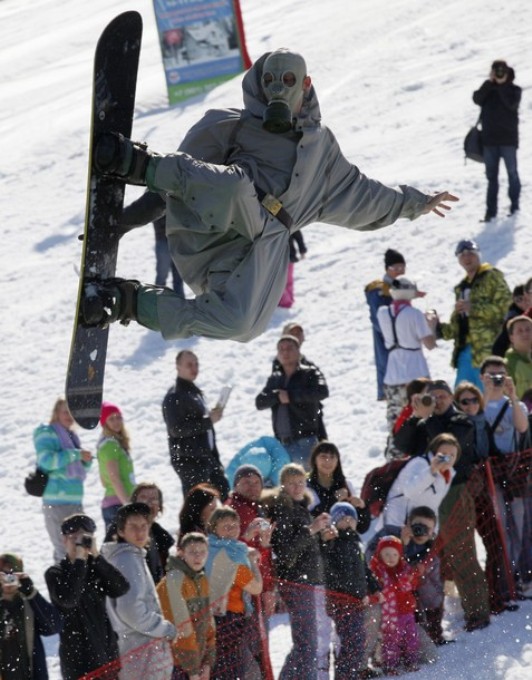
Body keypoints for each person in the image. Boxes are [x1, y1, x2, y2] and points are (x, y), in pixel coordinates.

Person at [82, 48, 458, 341]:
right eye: (271, 79)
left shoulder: (322, 155)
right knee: (236, 186)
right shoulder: (228, 126)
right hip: (206, 233)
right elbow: (180, 185)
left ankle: (128, 302)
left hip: (257, 249)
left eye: (288, 79)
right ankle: (132, 161)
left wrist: (417, 203)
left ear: (305, 85)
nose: (278, 87)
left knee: (244, 324)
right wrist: (122, 222)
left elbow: (369, 197)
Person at [393, 379, 492, 631]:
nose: (437, 400)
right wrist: (416, 417)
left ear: (451, 398)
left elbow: (445, 446)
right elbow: (401, 444)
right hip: (425, 495)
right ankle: (428, 618)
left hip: (454, 494)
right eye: (432, 396)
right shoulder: (424, 420)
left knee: (462, 552)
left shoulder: (461, 421)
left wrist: (427, 418)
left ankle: (478, 612)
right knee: (424, 555)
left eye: (442, 396)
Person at [454, 380, 517, 613]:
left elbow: (491, 450)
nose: (470, 405)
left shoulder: (483, 424)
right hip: (461, 496)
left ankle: (495, 594)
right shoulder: (456, 427)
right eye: (464, 401)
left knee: (495, 544)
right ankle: (475, 602)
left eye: (473, 400)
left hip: (482, 493)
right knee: (465, 550)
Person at [45, 513, 130, 680]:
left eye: (83, 538)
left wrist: (97, 556)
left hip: (106, 653)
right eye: (73, 538)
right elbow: (69, 599)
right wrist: (79, 561)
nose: (78, 543)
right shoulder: (55, 573)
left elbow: (121, 587)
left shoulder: (95, 567)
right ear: (64, 540)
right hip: (79, 660)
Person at [265, 463, 330, 680]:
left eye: (300, 482)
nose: (296, 487)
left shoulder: (300, 508)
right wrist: (312, 530)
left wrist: (320, 533)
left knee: (307, 641)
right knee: (307, 642)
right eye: (291, 483)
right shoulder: (284, 509)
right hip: (295, 581)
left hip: (306, 580)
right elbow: (286, 552)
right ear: (282, 485)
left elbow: (303, 545)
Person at [101, 503, 176, 680]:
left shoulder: (131, 556)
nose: (140, 532)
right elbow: (131, 610)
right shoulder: (127, 560)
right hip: (141, 651)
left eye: (144, 526)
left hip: (138, 650)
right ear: (120, 531)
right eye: (133, 527)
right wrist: (164, 628)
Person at [480, 356, 530, 596]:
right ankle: (504, 581)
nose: (497, 379)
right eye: (492, 375)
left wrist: (512, 395)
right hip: (489, 476)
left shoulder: (515, 405)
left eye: (501, 374)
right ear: (482, 378)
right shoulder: (476, 403)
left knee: (518, 526)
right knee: (499, 528)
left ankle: (517, 576)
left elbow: (522, 428)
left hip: (514, 472)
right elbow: (477, 425)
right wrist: (487, 394)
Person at [319, 502, 382, 680]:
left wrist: (375, 588)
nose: (347, 522)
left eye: (350, 518)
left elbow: (364, 570)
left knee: (357, 639)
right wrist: (326, 542)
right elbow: (326, 564)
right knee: (348, 641)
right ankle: (345, 675)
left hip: (356, 601)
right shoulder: (334, 541)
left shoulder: (355, 542)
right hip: (341, 601)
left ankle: (351, 673)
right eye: (342, 519)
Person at [437, 239, 511, 389]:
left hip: (488, 350)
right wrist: (436, 328)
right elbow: (458, 326)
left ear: (478, 255)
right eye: (462, 255)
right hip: (465, 353)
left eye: (470, 253)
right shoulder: (462, 287)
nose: (467, 258)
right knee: (464, 398)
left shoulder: (491, 277)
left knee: (490, 398)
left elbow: (505, 309)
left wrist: (474, 308)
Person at [205, 507, 263, 680]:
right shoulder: (232, 555)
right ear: (214, 529)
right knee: (231, 671)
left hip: (209, 619)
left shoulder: (208, 548)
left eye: (234, 525)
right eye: (225, 526)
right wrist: (253, 562)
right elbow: (256, 588)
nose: (231, 530)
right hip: (228, 621)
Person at [162, 350, 229, 499]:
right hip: (191, 461)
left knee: (222, 500)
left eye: (196, 364)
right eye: (189, 364)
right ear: (178, 367)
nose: (194, 368)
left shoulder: (194, 392)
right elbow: (176, 429)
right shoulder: (175, 395)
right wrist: (208, 421)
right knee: (200, 508)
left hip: (207, 459)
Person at [377, 275, 436, 444]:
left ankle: (395, 454)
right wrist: (431, 324)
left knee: (396, 422)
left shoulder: (383, 313)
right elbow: (430, 343)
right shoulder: (414, 314)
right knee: (422, 416)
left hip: (392, 374)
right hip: (416, 372)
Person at [33, 398, 93, 564]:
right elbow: (46, 460)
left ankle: (80, 585)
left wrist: (85, 461)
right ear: (56, 413)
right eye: (65, 411)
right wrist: (76, 454)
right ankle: (64, 587)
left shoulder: (72, 436)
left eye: (72, 412)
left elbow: (76, 470)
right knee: (64, 550)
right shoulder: (47, 433)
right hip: (56, 501)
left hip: (75, 500)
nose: (69, 416)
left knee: (82, 547)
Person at [256, 334, 329, 468]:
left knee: (307, 485)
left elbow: (322, 391)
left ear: (298, 351)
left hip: (305, 440)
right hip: (281, 443)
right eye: (281, 349)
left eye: (289, 348)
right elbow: (259, 402)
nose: (285, 353)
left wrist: (291, 396)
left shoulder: (309, 372)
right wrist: (277, 396)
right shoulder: (275, 377)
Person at [157, 532, 216, 680]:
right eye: (192, 552)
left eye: (202, 552)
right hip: (174, 663)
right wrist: (193, 670)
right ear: (181, 553)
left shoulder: (202, 580)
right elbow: (181, 628)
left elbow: (209, 624)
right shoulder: (173, 580)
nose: (198, 557)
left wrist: (207, 662)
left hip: (196, 661)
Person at [0, 552, 61, 680]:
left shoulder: (29, 601)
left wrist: (31, 593)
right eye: (3, 574)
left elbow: (54, 627)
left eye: (11, 574)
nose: (8, 579)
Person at [473, 60, 521, 221]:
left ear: (508, 72)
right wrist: (490, 84)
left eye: (502, 71)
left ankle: (515, 208)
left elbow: (511, 104)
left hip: (509, 141)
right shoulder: (488, 88)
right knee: (491, 178)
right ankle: (490, 212)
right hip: (489, 142)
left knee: (512, 174)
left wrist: (500, 86)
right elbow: (477, 99)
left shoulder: (514, 90)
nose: (500, 74)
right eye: (496, 71)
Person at [105, 482, 175, 584]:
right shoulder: (120, 528)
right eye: (143, 497)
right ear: (134, 502)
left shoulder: (161, 536)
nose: (149, 502)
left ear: (159, 506)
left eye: (154, 498)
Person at [369, 535, 420, 675]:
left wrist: (413, 578)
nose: (391, 557)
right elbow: (379, 591)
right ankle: (390, 664)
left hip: (407, 610)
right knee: (391, 640)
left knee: (411, 637)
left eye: (394, 554)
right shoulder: (377, 572)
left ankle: (411, 660)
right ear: (380, 555)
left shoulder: (404, 569)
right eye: (386, 554)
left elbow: (413, 585)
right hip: (389, 614)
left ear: (399, 555)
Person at [401, 507, 447, 646]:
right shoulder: (397, 540)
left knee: (432, 591)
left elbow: (437, 587)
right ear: (408, 526)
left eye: (427, 528)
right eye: (417, 526)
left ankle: (433, 632)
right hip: (401, 595)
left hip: (425, 592)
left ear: (433, 532)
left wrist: (423, 573)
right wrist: (403, 543)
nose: (421, 532)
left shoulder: (432, 552)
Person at [365, 248, 407, 400]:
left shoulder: (403, 288)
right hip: (388, 349)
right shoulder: (379, 290)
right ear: (387, 269)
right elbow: (379, 323)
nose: (399, 271)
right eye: (395, 268)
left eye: (402, 267)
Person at [97, 402, 136, 530]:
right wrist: (127, 504)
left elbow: (104, 480)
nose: (116, 422)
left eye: (118, 417)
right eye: (111, 418)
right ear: (104, 422)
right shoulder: (110, 445)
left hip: (116, 502)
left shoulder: (114, 444)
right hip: (117, 504)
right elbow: (114, 477)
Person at [225, 435, 291, 488]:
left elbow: (280, 473)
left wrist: (273, 484)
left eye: (257, 482)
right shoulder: (233, 470)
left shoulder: (280, 459)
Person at [492, 284, 528, 357]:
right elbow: (499, 345)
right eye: (518, 300)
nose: (523, 302)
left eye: (525, 298)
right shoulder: (513, 318)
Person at [505, 315, 532, 400]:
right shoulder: (507, 364)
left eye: (528, 330)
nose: (525, 333)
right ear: (511, 338)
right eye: (520, 331)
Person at [279, 232, 307, 308]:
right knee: (280, 281)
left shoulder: (290, 221)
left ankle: (287, 302)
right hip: (276, 257)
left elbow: (298, 235)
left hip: (288, 256)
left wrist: (302, 250)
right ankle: (286, 301)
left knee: (286, 281)